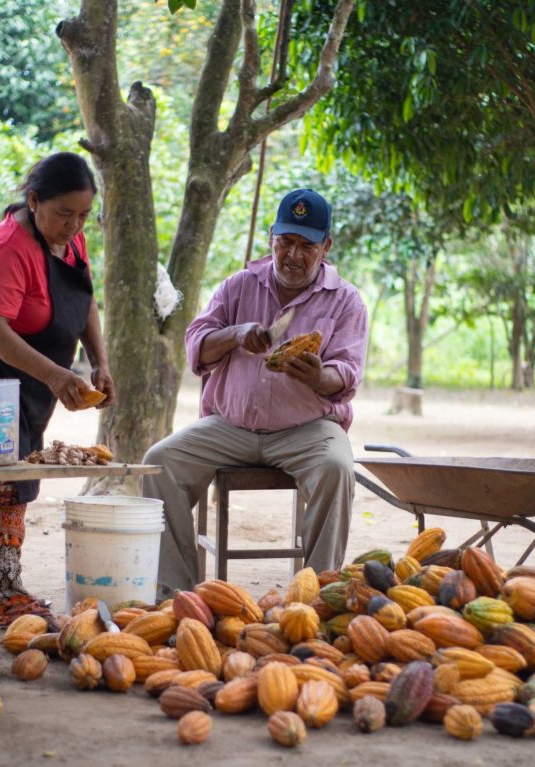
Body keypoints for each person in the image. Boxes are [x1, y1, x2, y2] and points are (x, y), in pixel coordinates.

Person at [143, 188, 368, 596]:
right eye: (285, 243)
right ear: (271, 239)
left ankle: (316, 595)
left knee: (337, 467)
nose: (293, 256)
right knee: (160, 463)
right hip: (229, 427)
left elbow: (347, 375)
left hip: (307, 429)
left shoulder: (345, 300)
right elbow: (196, 345)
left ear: (326, 247)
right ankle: (176, 594)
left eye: (306, 246)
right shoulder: (239, 285)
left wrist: (319, 377)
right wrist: (235, 334)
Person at [0, 152, 116, 626]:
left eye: (83, 216)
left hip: (29, 372)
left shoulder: (69, 243)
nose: (74, 226)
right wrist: (57, 375)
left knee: (18, 473)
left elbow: (85, 303)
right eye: (64, 214)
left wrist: (99, 361)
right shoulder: (7, 247)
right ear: (34, 201)